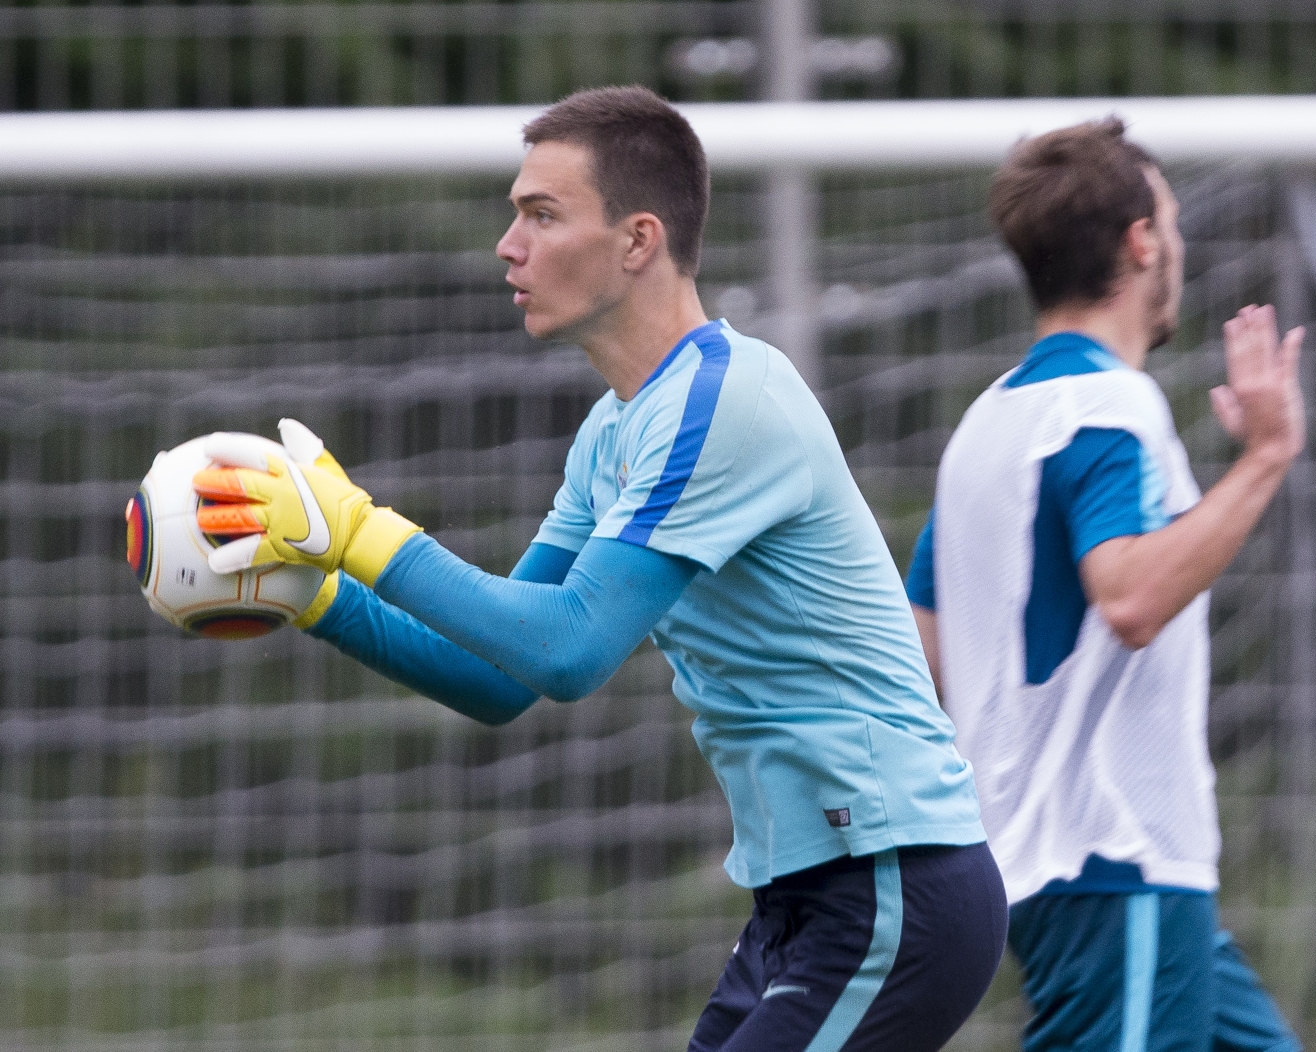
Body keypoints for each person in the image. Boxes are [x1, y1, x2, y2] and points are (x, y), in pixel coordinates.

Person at [189, 86, 1006, 1052]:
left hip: (893, 884)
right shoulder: (617, 427)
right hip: (809, 899)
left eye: (541, 214)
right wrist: (320, 593)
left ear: (637, 240)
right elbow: (501, 677)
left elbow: (571, 648)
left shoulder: (721, 401)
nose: (509, 244)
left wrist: (356, 527)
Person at [904, 118, 1304, 1052]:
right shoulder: (1107, 404)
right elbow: (1127, 597)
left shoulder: (988, 423)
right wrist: (1265, 458)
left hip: (1066, 864)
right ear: (1141, 242)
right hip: (1110, 862)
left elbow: (924, 650)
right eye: (1171, 220)